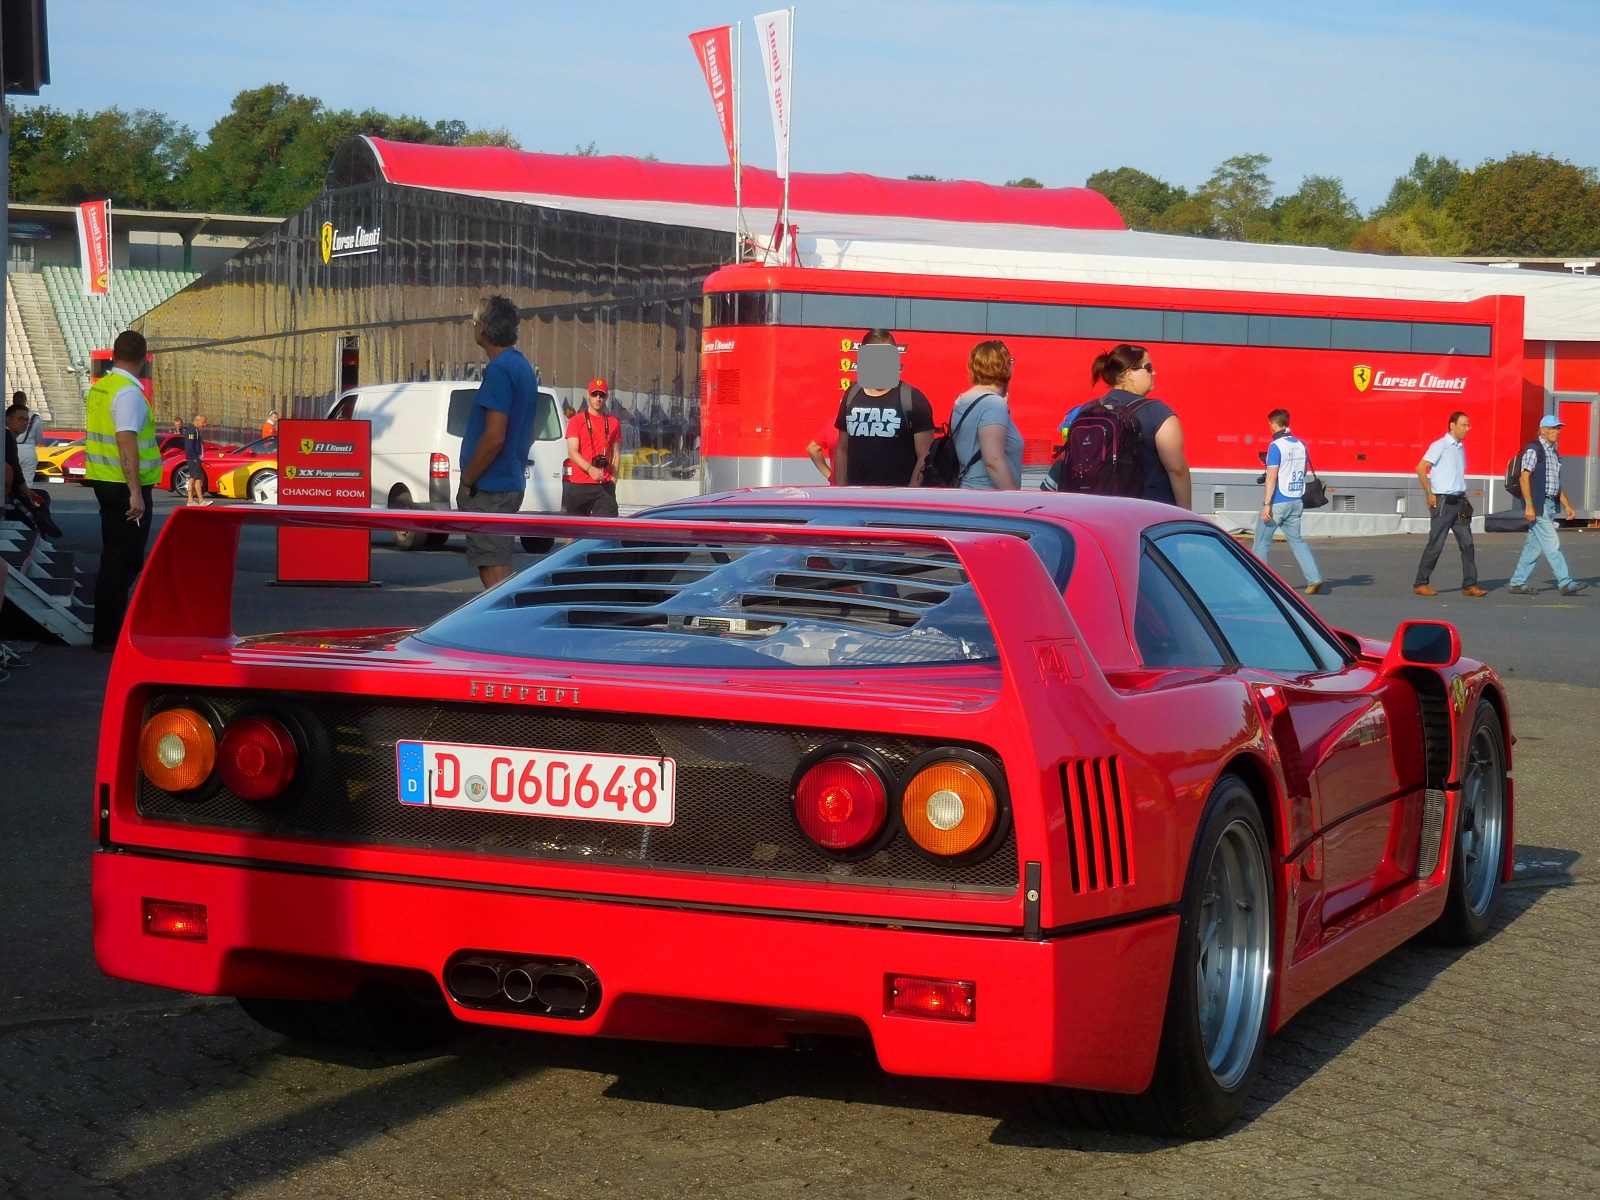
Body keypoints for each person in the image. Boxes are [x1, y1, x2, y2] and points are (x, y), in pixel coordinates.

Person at [85, 330, 162, 650]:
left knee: (115, 557)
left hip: (105, 480)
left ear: (114, 355)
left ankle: (106, 631)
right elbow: (126, 440)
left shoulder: (102, 388)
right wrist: (135, 493)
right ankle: (108, 635)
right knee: (124, 561)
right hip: (125, 485)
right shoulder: (130, 393)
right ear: (144, 359)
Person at [457, 296, 538, 590]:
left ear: (484, 330)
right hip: (510, 481)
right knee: (501, 564)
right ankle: (508, 628)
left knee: (491, 570)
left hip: (488, 487)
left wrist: (468, 480)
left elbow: (494, 435)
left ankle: (505, 632)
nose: (473, 328)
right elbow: (529, 431)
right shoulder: (522, 366)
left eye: (475, 322)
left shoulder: (499, 370)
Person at [1070, 344, 1192, 508]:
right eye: (1148, 368)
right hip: (1150, 512)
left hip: (1098, 510)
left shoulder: (1087, 410)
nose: (1154, 372)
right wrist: (1186, 514)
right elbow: (1177, 469)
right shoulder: (1157, 412)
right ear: (1129, 374)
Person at [832, 329, 935, 486]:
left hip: (895, 503)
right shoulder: (851, 395)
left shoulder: (912, 399)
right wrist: (841, 490)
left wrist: (910, 496)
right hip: (856, 500)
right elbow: (842, 449)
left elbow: (925, 455)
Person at [1509, 414, 1587, 596]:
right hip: (1539, 504)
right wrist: (1529, 505)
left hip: (1550, 504)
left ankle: (1518, 582)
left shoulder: (1552, 452)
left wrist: (1567, 506)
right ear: (1542, 430)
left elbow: (1555, 484)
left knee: (1533, 546)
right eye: (1552, 428)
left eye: (1558, 428)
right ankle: (1565, 582)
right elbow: (1524, 477)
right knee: (1552, 543)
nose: (1556, 432)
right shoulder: (1534, 450)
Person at [1413, 411, 1486, 598]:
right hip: (1443, 502)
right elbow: (1421, 467)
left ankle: (1470, 584)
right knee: (1436, 544)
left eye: (1468, 425)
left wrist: (1464, 495)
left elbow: (1456, 475)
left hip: (1459, 501)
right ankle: (1421, 583)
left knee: (1468, 543)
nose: (1467, 429)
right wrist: (1429, 492)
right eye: (1464, 425)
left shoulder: (1460, 448)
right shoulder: (1440, 445)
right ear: (1452, 425)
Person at [1252, 409, 1323, 595]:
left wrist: (1266, 503)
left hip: (1278, 502)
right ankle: (1314, 578)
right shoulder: (1301, 444)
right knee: (1297, 541)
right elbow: (1302, 471)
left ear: (1274, 424)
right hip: (1296, 501)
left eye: (1269, 424)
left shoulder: (1276, 446)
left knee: (1261, 542)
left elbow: (1272, 476)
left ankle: (1260, 583)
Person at [951, 340, 1023, 490]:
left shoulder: (962, 400)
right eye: (1010, 361)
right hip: (988, 495)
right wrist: (1016, 499)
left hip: (967, 491)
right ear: (1002, 365)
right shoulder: (994, 404)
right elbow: (993, 460)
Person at [563, 378, 622, 517]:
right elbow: (572, 452)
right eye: (594, 394)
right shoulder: (577, 420)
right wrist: (590, 469)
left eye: (601, 395)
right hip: (579, 483)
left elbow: (616, 453)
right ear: (588, 395)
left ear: (606, 397)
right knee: (573, 532)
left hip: (604, 485)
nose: (598, 398)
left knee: (607, 528)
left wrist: (613, 480)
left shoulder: (614, 423)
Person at [10, 392, 41, 483]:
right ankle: (27, 496)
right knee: (27, 482)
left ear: (13, 401)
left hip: (9, 449)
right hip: (28, 450)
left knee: (8, 481)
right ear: (25, 401)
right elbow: (38, 438)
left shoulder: (7, 415)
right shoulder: (35, 417)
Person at [183, 413, 211, 506]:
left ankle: (190, 500)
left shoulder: (195, 430)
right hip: (193, 458)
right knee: (198, 479)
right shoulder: (192, 431)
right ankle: (201, 500)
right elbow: (189, 446)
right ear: (197, 421)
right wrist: (195, 457)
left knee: (192, 479)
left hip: (195, 458)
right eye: (203, 422)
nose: (205, 424)